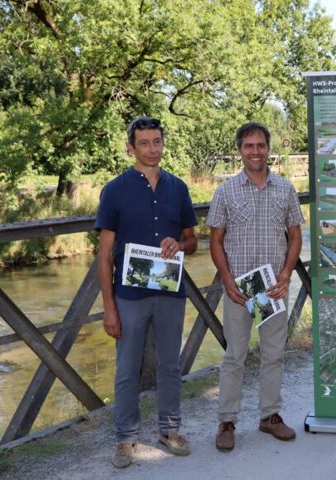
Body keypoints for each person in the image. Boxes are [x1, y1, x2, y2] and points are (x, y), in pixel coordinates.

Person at [95, 116, 199, 468]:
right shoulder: (114, 190)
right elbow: (105, 254)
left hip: (170, 292)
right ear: (131, 147)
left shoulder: (178, 187)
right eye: (144, 143)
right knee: (127, 368)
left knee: (170, 364)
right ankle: (126, 439)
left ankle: (170, 430)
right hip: (129, 295)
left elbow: (193, 241)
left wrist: (179, 244)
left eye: (157, 141)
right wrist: (109, 308)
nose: (152, 149)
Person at [207, 122, 304, 451]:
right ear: (240, 150)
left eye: (261, 145)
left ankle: (270, 417)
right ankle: (227, 421)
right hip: (240, 288)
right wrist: (226, 279)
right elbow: (215, 240)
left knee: (273, 354)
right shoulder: (225, 191)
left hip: (272, 287)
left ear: (268, 149)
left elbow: (296, 235)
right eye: (249, 146)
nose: (255, 151)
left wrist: (287, 274)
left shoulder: (286, 189)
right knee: (234, 356)